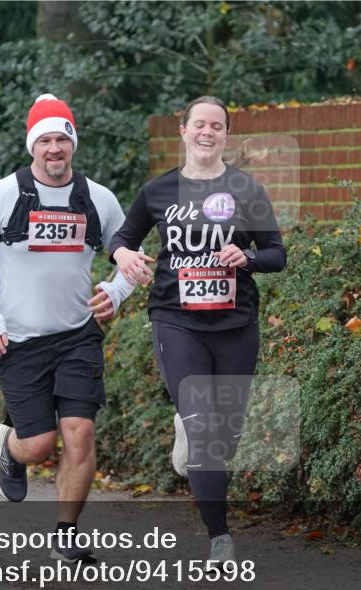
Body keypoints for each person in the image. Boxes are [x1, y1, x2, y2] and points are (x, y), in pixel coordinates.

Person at [0, 94, 134, 563]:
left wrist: (115, 293)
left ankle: (66, 535)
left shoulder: (99, 199)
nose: (54, 149)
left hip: (78, 336)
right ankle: (11, 449)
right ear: (33, 146)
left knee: (80, 433)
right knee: (39, 445)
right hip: (18, 339)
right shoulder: (3, 195)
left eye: (62, 139)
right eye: (46, 140)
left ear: (73, 144)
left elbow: (129, 257)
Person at [109, 96, 287, 563]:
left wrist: (246, 257)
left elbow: (276, 254)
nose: (208, 133)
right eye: (199, 125)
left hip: (235, 324)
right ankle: (219, 538)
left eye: (217, 126)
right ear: (183, 131)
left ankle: (188, 428)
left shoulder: (247, 190)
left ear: (225, 135)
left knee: (225, 435)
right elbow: (123, 239)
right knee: (207, 430)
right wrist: (123, 257)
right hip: (176, 319)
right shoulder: (158, 191)